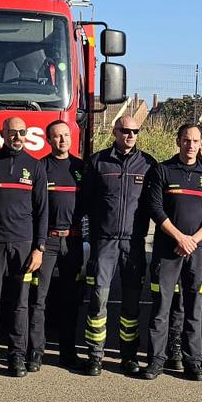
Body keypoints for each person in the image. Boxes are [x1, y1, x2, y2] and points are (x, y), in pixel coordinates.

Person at [141, 124, 202, 381]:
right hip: (167, 251)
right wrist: (179, 237)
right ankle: (156, 360)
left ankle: (192, 361)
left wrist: (192, 241)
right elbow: (154, 208)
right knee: (161, 308)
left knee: (194, 309)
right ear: (178, 141)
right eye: (186, 140)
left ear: (201, 145)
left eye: (196, 141)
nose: (191, 145)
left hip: (197, 252)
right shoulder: (162, 170)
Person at [80, 116, 155, 375]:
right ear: (115, 131)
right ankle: (95, 355)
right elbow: (84, 202)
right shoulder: (97, 162)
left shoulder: (148, 164)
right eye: (125, 131)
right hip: (104, 243)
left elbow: (154, 205)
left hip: (134, 244)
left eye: (135, 131)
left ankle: (129, 356)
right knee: (98, 299)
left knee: (131, 303)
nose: (130, 135)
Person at [0, 117, 48, 378]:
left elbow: (43, 211)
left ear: (27, 134)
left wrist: (39, 247)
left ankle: (16, 357)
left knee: (20, 304)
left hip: (23, 245)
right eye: (12, 132)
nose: (17, 137)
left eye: (21, 132)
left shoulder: (35, 166)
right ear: (2, 134)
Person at [35, 119, 85, 371]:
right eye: (57, 136)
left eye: (66, 135)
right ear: (49, 139)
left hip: (73, 241)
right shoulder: (40, 168)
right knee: (40, 298)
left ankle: (68, 352)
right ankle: (35, 351)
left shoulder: (81, 168)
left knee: (69, 299)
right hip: (48, 241)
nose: (62, 140)